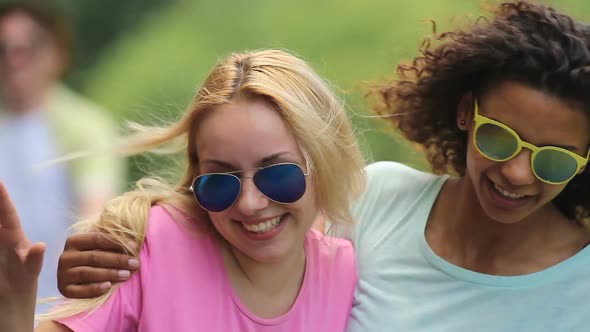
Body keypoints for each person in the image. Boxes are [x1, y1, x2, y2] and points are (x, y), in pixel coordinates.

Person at [53, 1, 590, 331]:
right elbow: (250, 228)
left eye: (555, 158)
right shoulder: (377, 200)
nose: (518, 173)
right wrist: (123, 240)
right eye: (500, 138)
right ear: (464, 114)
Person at [0, 49, 366, 331]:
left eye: (278, 175)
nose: (250, 204)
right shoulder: (152, 243)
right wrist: (12, 309)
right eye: (220, 182)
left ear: (323, 162)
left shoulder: (347, 273)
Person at [0, 3, 124, 311]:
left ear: (57, 53)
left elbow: (96, 212)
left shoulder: (85, 125)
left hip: (62, 306)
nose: (15, 59)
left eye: (29, 46)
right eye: (3, 48)